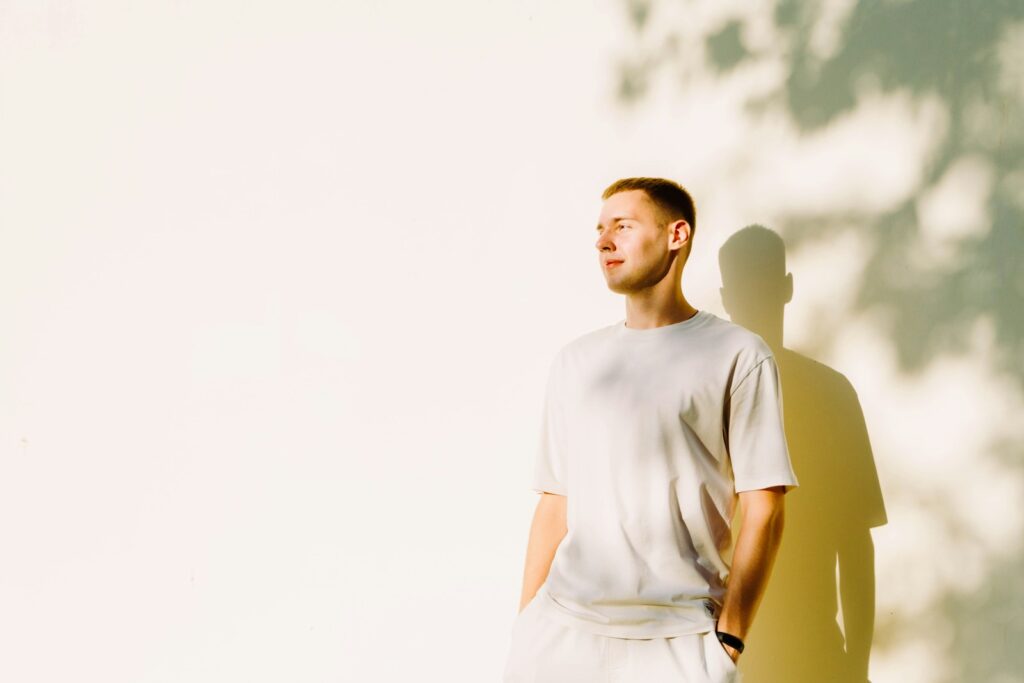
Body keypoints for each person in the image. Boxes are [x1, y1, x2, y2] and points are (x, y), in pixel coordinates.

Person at [502, 177, 799, 682]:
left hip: (678, 642)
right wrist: (526, 625)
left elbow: (764, 507)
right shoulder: (577, 361)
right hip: (562, 635)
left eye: (623, 225)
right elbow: (555, 500)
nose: (603, 241)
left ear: (676, 235)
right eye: (600, 230)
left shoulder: (738, 355)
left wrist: (729, 640)